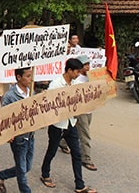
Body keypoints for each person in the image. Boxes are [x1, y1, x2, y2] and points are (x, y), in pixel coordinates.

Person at [40, 58, 97, 193]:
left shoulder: (75, 84)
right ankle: (45, 174)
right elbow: (49, 105)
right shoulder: (56, 84)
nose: (78, 74)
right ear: (69, 70)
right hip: (58, 125)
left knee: (76, 154)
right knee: (52, 151)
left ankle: (79, 184)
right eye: (76, 71)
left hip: (71, 123)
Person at [0, 67, 35, 193]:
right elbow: (4, 118)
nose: (31, 79)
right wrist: (8, 134)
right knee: (22, 170)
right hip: (19, 139)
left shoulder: (31, 91)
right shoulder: (10, 96)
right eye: (28, 76)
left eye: (31, 75)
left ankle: (2, 175)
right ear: (19, 77)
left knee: (27, 167)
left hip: (30, 136)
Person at [75, 55, 97, 171]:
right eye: (85, 65)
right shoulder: (77, 80)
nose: (88, 67)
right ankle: (86, 159)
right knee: (85, 134)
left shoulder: (92, 77)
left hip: (90, 109)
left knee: (76, 129)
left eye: (89, 64)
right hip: (81, 110)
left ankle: (63, 142)